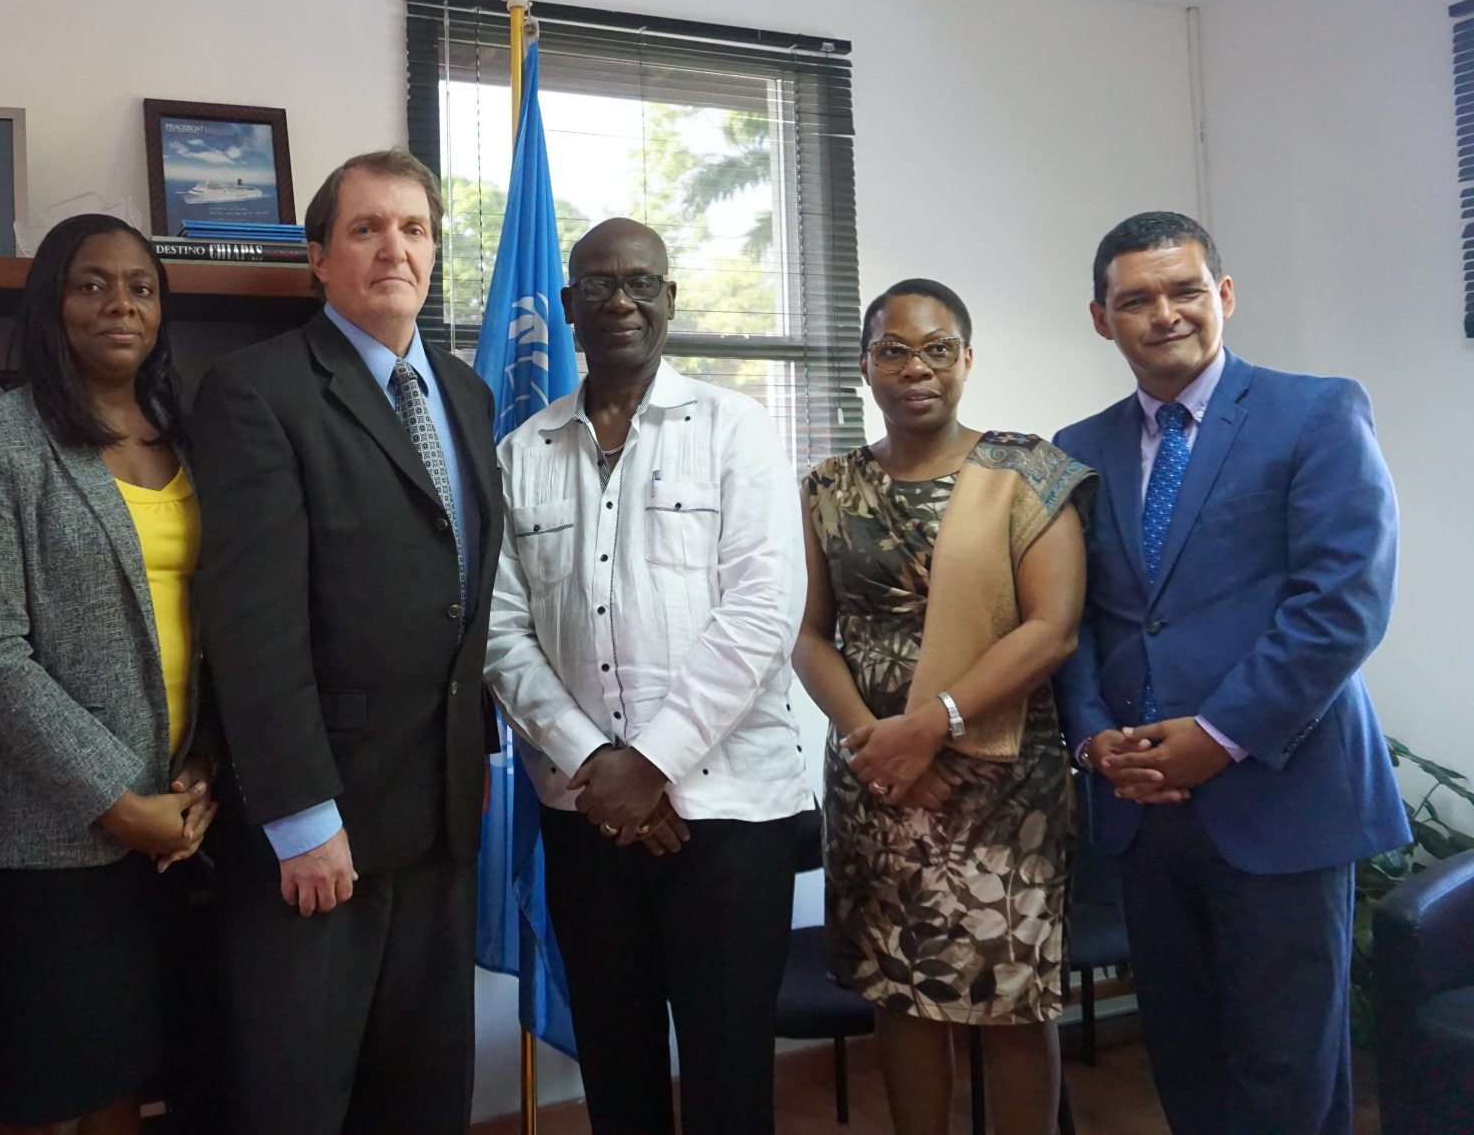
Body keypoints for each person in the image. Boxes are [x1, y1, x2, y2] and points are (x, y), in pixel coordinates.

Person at [1054, 212, 1407, 1135]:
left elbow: (1343, 604)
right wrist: (1093, 737)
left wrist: (1218, 736)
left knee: (1287, 1071)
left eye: (1184, 290)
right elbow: (1074, 617)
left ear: (1225, 295)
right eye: (1136, 299)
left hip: (1281, 796)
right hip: (1143, 810)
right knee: (1187, 1059)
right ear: (1102, 318)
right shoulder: (1077, 450)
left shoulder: (1317, 410)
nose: (1163, 313)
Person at [188, 147, 504, 1134]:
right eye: (364, 229)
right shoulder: (257, 391)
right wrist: (299, 818)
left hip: (444, 812)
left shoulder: (465, 395)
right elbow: (252, 624)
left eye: (412, 230)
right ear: (318, 258)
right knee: (299, 1096)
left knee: (421, 1096)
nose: (392, 250)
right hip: (324, 826)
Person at [486, 218, 813, 1133]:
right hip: (586, 816)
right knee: (615, 1066)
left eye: (640, 283)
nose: (619, 300)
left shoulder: (735, 428)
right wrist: (599, 766)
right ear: (568, 308)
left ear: (670, 300)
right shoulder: (522, 453)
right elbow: (501, 633)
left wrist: (653, 763)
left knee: (727, 1072)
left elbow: (760, 612)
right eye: (597, 285)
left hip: (731, 817)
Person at [0, 214, 221, 1135]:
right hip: (49, 839)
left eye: (140, 284)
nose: (120, 303)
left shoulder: (195, 438)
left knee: (135, 1083)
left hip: (178, 825)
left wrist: (203, 770)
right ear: (51, 305)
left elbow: (224, 625)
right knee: (50, 1086)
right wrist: (112, 798)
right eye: (91, 284)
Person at [794, 279, 1092, 1135]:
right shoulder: (827, 485)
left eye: (936, 348)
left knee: (1011, 993)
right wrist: (871, 745)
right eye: (893, 349)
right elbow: (811, 636)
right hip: (873, 777)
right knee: (901, 985)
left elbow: (1053, 628)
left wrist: (928, 729)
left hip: (998, 778)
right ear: (864, 366)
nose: (914, 367)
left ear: (967, 359)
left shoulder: (1026, 472)